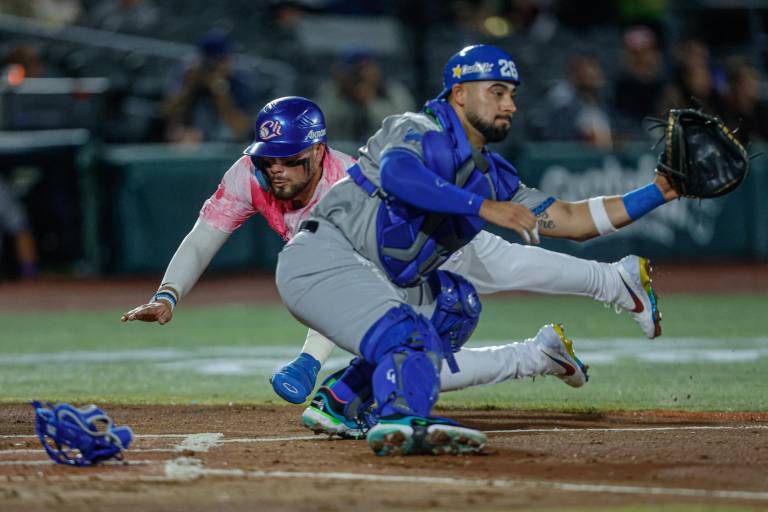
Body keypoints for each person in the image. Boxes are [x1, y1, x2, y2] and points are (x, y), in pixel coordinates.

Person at [120, 95, 655, 436]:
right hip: (381, 263)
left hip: (418, 244)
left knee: (493, 279)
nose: (276, 171)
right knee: (421, 339)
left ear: (320, 151)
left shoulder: (344, 183)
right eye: (269, 159)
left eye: (291, 159)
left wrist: (309, 358)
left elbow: (349, 291)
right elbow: (204, 237)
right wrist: (168, 294)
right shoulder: (249, 174)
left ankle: (591, 302)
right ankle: (557, 334)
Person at [274, 44, 678, 456]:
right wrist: (483, 208)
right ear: (459, 93)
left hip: (375, 275)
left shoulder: (490, 174)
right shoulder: (415, 127)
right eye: (497, 92)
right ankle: (402, 417)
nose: (510, 105)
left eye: (512, 95)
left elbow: (573, 219)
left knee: (456, 306)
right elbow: (399, 174)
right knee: (408, 335)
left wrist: (661, 191)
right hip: (322, 259)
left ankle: (346, 401)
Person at [161, 30, 253, 144]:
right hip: (186, 146)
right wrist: (189, 86)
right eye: (221, 60)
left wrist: (219, 90)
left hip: (225, 148)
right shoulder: (188, 75)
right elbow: (166, 112)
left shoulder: (237, 81)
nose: (226, 63)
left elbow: (241, 129)